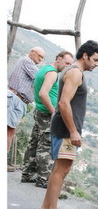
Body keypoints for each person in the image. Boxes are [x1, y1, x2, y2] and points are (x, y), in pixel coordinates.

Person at [38, 40, 98, 209]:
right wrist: (74, 132)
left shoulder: (72, 71)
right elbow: (64, 103)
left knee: (58, 168)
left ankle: (45, 207)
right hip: (67, 129)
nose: (97, 64)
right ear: (85, 55)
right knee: (62, 169)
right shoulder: (75, 73)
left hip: (64, 127)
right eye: (95, 60)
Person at [21, 51, 74, 188]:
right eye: (67, 63)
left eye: (70, 64)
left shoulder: (42, 70)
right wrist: (53, 112)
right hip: (46, 113)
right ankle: (43, 179)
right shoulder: (52, 73)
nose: (68, 66)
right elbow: (43, 93)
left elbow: (37, 89)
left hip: (39, 110)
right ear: (59, 58)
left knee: (33, 143)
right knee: (45, 146)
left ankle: (27, 174)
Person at [7, 46, 45, 160]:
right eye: (39, 56)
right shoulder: (26, 61)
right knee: (9, 130)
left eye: (42, 58)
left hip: (20, 101)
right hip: (15, 98)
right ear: (32, 52)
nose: (40, 60)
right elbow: (40, 77)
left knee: (10, 130)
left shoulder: (28, 63)